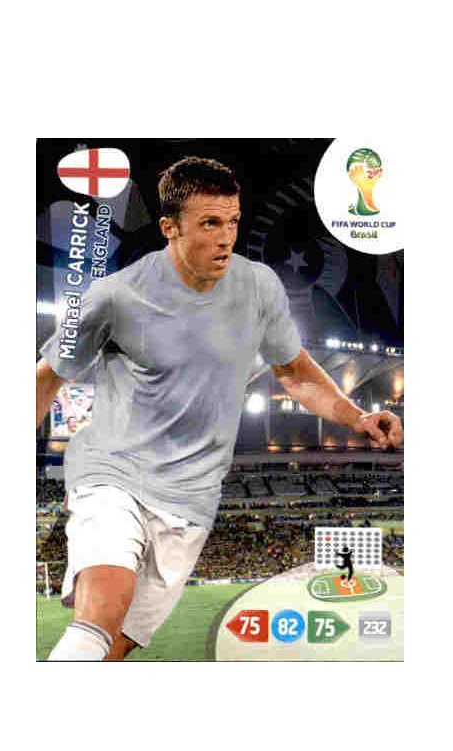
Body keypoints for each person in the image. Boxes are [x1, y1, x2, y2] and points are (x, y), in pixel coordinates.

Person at [36, 157, 403, 660]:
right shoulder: (113, 297)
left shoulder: (259, 287)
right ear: (169, 227)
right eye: (209, 223)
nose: (226, 237)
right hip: (113, 474)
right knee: (97, 622)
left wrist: (356, 417)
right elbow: (46, 377)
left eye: (233, 221)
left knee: (113, 649)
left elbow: (295, 372)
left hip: (191, 502)